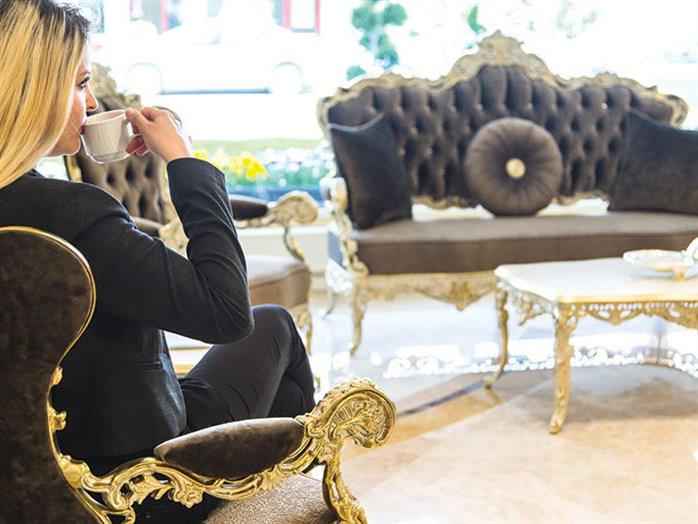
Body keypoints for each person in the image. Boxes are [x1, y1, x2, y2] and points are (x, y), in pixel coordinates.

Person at [0, 1, 315, 521]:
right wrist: (185, 162)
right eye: (80, 84)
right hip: (136, 489)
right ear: (34, 92)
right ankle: (276, 502)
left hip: (20, 483)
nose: (92, 101)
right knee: (272, 325)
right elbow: (226, 312)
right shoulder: (77, 217)